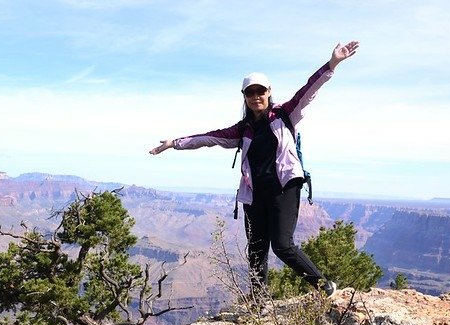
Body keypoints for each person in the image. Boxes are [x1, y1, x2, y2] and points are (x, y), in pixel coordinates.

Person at [149, 41, 359, 297]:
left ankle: (323, 286)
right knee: (256, 250)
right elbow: (210, 138)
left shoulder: (285, 115)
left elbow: (308, 90)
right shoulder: (243, 129)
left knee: (282, 246)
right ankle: (258, 303)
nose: (256, 96)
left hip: (284, 188)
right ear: (245, 97)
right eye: (250, 93)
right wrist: (174, 143)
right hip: (255, 194)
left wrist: (332, 64)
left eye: (260, 91)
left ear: (269, 92)